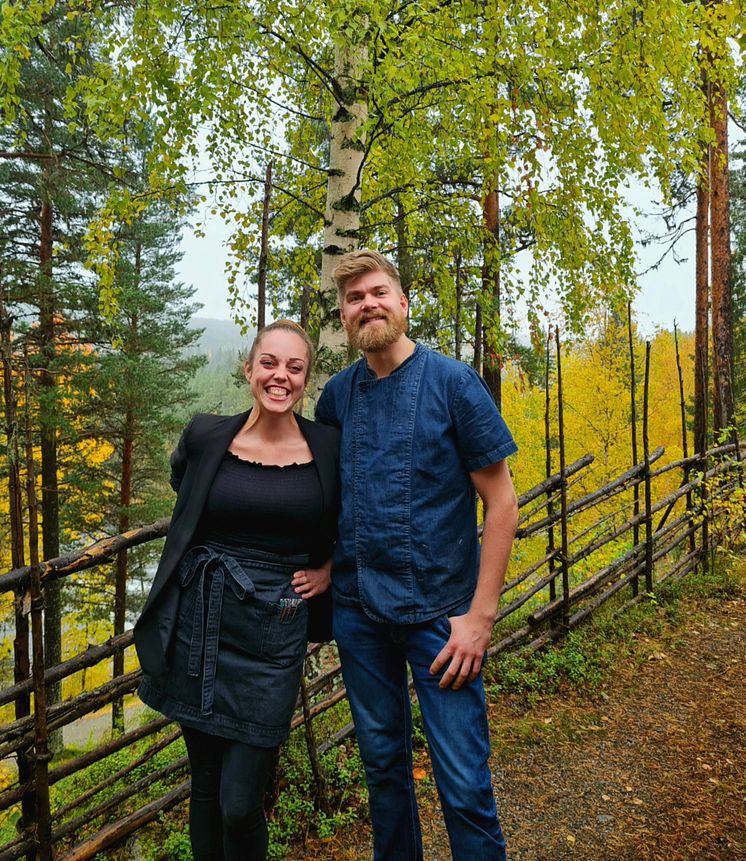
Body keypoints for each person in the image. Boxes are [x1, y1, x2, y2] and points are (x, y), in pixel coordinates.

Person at [315, 250, 518, 861]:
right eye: (354, 299)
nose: (367, 305)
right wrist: (326, 562)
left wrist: (480, 618)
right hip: (359, 614)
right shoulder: (336, 398)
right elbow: (332, 497)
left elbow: (502, 503)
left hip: (443, 620)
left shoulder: (453, 383)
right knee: (383, 772)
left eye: (377, 293)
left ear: (403, 304)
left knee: (463, 783)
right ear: (346, 318)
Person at [134, 320, 340, 861]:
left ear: (306, 379)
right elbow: (186, 490)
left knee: (240, 802)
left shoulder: (328, 448)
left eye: (295, 368)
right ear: (248, 369)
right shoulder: (206, 435)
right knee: (204, 792)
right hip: (201, 623)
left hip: (275, 633)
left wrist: (331, 568)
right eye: (269, 363)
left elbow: (361, 518)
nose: (280, 376)